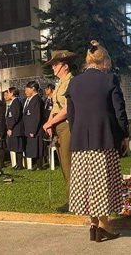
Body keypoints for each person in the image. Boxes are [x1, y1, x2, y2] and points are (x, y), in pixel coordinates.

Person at [66, 40, 129, 242]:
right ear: (104, 61)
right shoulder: (109, 80)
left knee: (87, 185)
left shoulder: (74, 83)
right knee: (104, 183)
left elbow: (71, 115)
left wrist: (76, 134)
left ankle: (93, 226)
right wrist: (124, 136)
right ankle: (103, 225)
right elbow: (119, 111)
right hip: (104, 140)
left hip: (80, 143)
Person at [42, 50, 77, 213]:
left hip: (66, 126)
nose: (53, 67)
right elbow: (55, 106)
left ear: (65, 66)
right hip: (58, 126)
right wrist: (49, 123)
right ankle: (72, 199)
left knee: (69, 164)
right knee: (64, 165)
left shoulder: (71, 82)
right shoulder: (59, 84)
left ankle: (74, 201)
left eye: (55, 64)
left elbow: (67, 108)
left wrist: (51, 122)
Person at [23, 81, 44, 170]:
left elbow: (37, 117)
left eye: (27, 89)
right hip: (29, 127)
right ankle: (35, 164)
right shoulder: (30, 100)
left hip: (36, 129)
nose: (25, 91)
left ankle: (39, 165)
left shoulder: (37, 100)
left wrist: (33, 130)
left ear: (33, 89)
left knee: (37, 146)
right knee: (33, 147)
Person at [5, 87, 25, 170]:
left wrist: (10, 128)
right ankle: (17, 164)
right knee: (15, 147)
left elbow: (15, 116)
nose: (7, 95)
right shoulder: (13, 102)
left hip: (16, 129)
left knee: (18, 147)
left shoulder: (16, 102)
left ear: (12, 93)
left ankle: (20, 164)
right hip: (14, 128)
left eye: (8, 93)